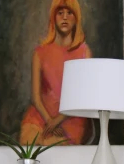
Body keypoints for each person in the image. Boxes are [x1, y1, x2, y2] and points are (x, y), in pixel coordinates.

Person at [20, 0, 91, 146]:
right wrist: (49, 121)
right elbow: (36, 98)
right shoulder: (40, 53)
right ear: (53, 17)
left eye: (69, 13)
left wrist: (57, 121)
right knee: (28, 143)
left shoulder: (84, 52)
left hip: (71, 119)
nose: (64, 17)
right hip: (40, 117)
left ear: (76, 18)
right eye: (60, 13)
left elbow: (82, 97)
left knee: (55, 147)